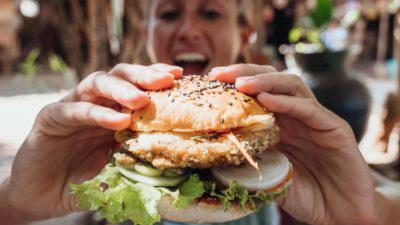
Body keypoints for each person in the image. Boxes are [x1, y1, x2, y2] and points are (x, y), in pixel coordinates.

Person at [0, 0, 398, 224]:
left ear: (244, 35)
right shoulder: (97, 169)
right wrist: (16, 204)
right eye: (170, 13)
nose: (189, 30)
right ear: (147, 33)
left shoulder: (299, 161)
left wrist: (370, 215)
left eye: (210, 13)